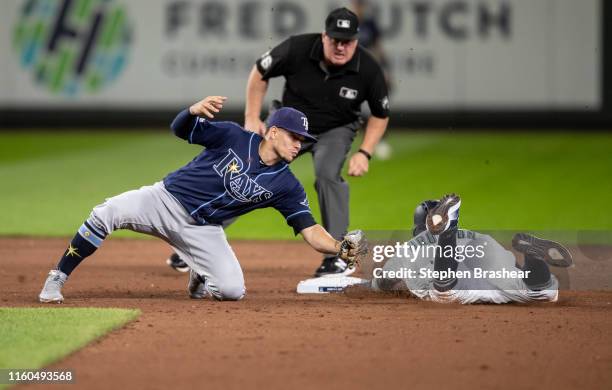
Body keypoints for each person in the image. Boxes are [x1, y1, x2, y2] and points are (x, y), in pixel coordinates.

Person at [38, 96, 365, 303]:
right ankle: (58, 277)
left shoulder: (287, 185)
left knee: (232, 291)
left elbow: (310, 230)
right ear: (274, 131)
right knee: (105, 212)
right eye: (295, 136)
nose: (299, 145)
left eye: (303, 141)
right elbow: (181, 129)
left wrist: (338, 247)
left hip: (204, 230)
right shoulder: (234, 136)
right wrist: (191, 111)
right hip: (163, 201)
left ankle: (199, 269)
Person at [245, 7, 390, 277]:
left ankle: (338, 255)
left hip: (335, 129)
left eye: (347, 41)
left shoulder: (368, 68)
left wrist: (365, 152)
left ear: (356, 41)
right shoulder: (297, 48)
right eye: (335, 39)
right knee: (251, 167)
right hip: (289, 124)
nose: (340, 46)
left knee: (326, 173)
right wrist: (252, 116)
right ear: (324, 36)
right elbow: (259, 72)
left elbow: (381, 115)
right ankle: (204, 235)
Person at [370, 194, 573, 304]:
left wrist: (374, 285)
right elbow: (511, 267)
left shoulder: (409, 248)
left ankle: (448, 231)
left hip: (451, 273)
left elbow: (383, 282)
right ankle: (533, 258)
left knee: (443, 293)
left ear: (418, 226)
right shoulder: (474, 234)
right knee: (538, 291)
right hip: (482, 246)